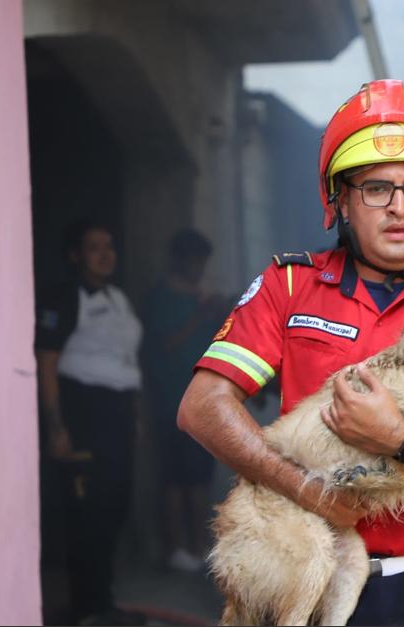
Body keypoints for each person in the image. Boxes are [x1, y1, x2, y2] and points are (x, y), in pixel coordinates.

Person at [178, 80, 404, 626]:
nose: (398, 207)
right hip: (322, 577)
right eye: (375, 187)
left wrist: (403, 439)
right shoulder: (290, 284)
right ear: (341, 199)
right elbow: (202, 407)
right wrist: (306, 490)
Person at [35, 220, 145, 626]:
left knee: (115, 508)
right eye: (94, 247)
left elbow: (126, 364)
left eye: (109, 246)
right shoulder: (64, 297)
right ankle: (85, 610)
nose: (105, 254)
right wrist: (56, 427)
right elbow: (46, 361)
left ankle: (103, 601)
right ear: (75, 255)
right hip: (82, 412)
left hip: (116, 415)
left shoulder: (119, 299)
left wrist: (134, 416)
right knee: (87, 514)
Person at [141, 228, 229, 573]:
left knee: (201, 477)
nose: (199, 268)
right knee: (175, 478)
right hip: (171, 400)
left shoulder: (201, 297)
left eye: (202, 262)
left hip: (206, 398)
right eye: (194, 261)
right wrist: (199, 314)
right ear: (179, 260)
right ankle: (176, 547)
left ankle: (199, 545)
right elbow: (164, 344)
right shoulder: (161, 297)